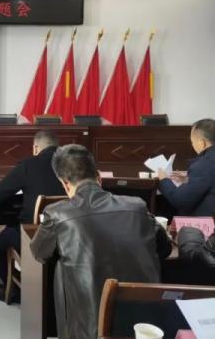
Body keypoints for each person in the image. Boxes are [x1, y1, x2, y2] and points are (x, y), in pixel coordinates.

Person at [30, 144, 171, 339]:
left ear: (65, 184)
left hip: (90, 326)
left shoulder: (57, 213)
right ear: (99, 177)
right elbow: (164, 249)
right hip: (144, 323)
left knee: (61, 266)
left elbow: (39, 253)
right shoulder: (137, 206)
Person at [0, 130, 65, 303]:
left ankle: (16, 289)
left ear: (36, 148)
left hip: (35, 240)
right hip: (72, 239)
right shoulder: (74, 166)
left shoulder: (29, 165)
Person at [158, 118, 215, 216]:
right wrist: (189, 179)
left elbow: (181, 201)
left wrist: (163, 180)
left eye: (192, 142)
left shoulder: (204, 163)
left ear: (202, 143)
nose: (193, 145)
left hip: (205, 222)